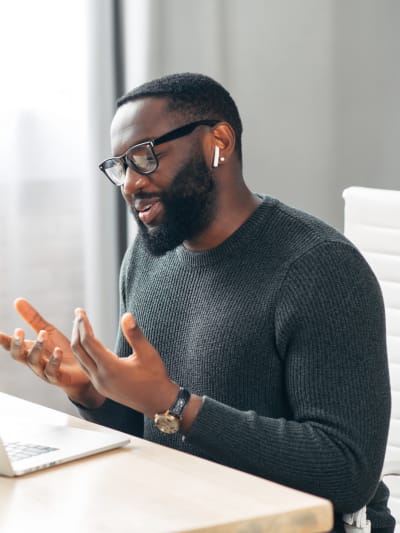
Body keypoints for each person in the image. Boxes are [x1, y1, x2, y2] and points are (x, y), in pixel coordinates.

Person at [0, 72, 395, 532]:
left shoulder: (320, 268)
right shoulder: (147, 260)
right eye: (120, 167)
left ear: (218, 142)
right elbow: (149, 428)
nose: (130, 184)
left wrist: (175, 404)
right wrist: (94, 391)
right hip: (189, 512)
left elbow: (347, 472)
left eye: (145, 157)